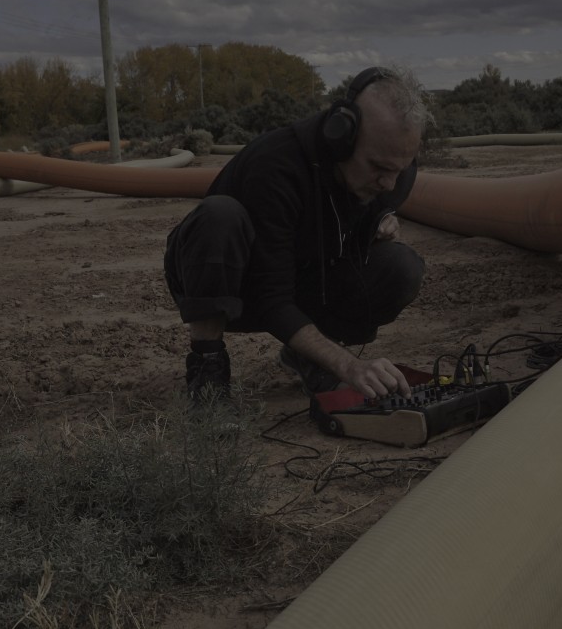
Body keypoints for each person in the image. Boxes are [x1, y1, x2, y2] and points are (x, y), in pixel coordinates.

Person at [163, 64, 429, 408]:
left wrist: (379, 216)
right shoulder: (276, 166)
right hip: (227, 280)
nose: (390, 184)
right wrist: (349, 366)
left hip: (301, 274)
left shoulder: (391, 168)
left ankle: (311, 355)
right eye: (378, 168)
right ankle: (208, 368)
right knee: (220, 216)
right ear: (341, 138)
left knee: (400, 267)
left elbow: (379, 195)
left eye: (399, 169)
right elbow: (271, 297)